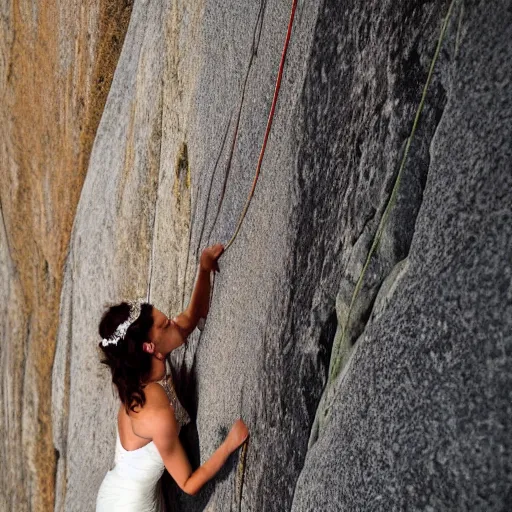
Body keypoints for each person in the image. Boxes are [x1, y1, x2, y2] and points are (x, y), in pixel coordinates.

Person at [95, 243, 249, 511]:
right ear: (149, 348)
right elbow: (188, 483)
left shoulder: (147, 369)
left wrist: (204, 269)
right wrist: (229, 444)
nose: (173, 322)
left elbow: (192, 317)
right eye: (165, 325)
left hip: (124, 485)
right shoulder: (155, 411)